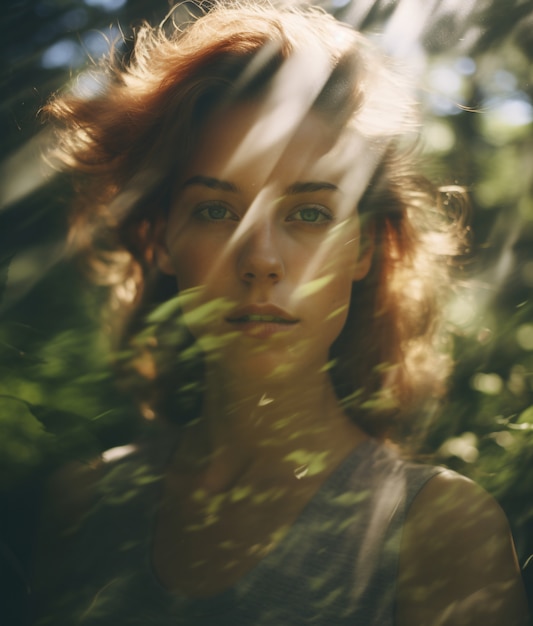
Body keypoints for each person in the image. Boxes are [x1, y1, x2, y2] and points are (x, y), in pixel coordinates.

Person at [31, 2, 529, 625]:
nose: (261, 260)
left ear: (364, 247)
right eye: (215, 210)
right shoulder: (78, 507)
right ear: (160, 240)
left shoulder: (442, 533)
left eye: (310, 213)